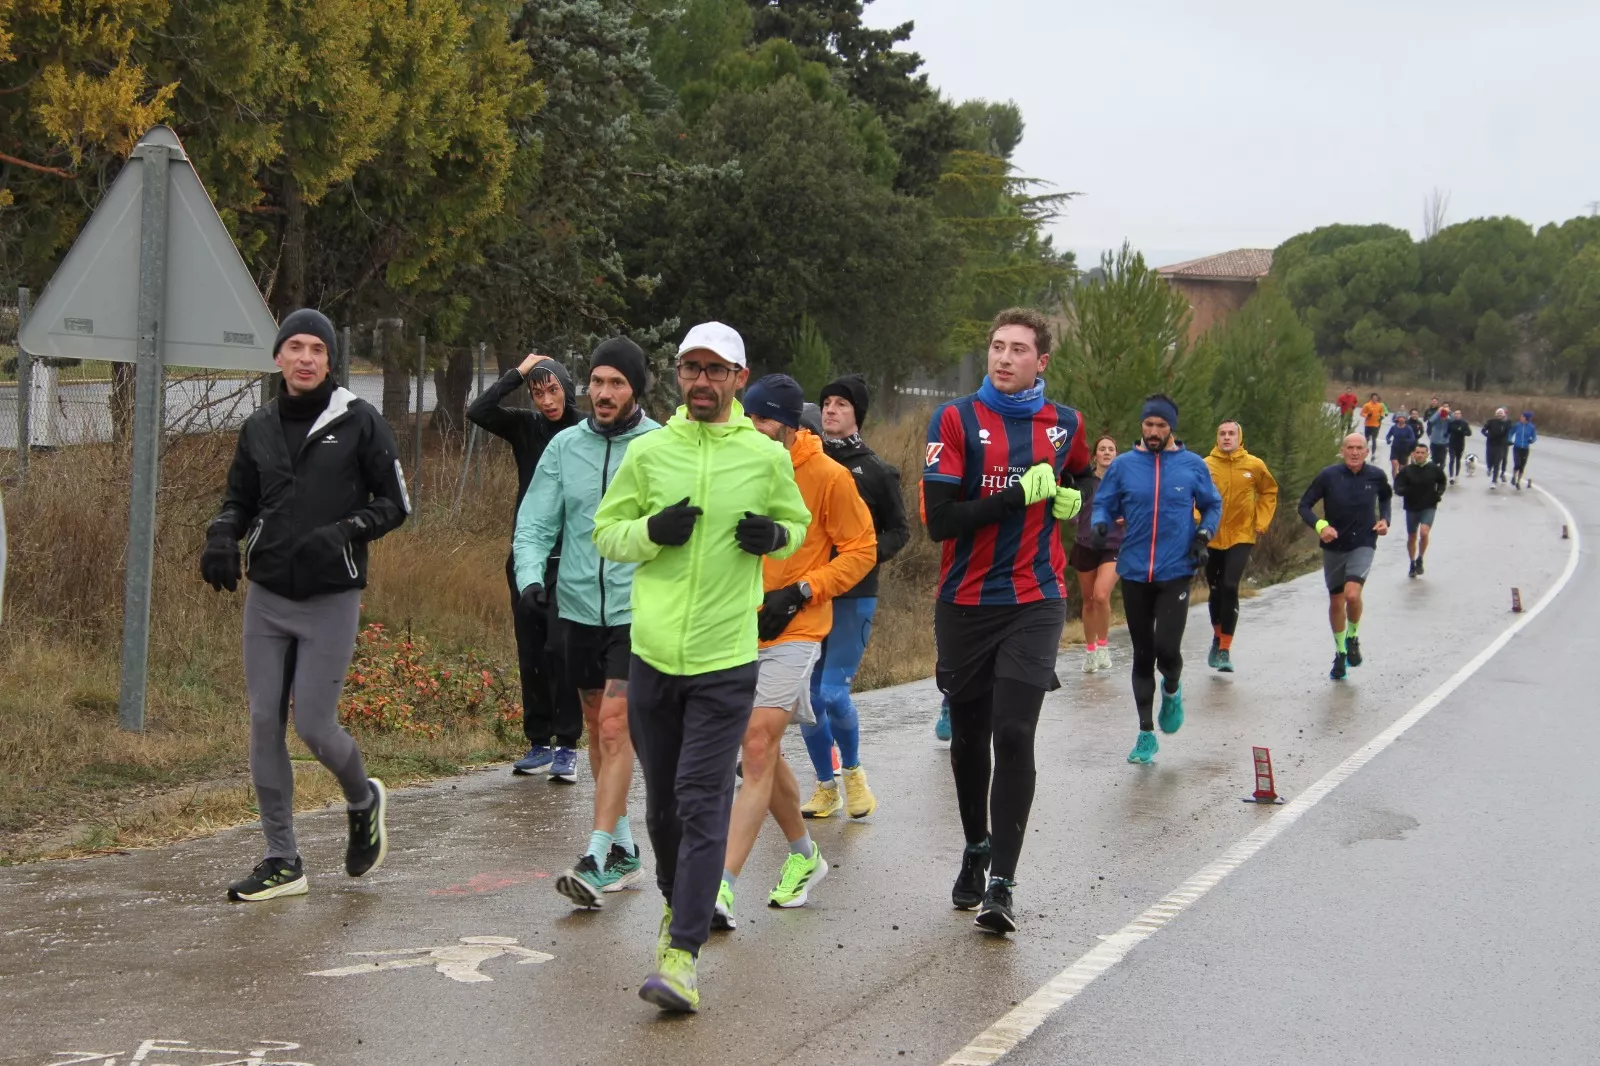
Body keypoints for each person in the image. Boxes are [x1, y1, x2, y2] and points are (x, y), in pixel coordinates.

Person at [593, 322, 810, 1013]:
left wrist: (776, 536)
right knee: (662, 810)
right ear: (678, 375)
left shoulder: (765, 455)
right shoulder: (652, 452)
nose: (703, 382)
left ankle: (681, 955)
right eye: (692, 368)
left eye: (716, 370)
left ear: (739, 379)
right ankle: (675, 906)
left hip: (725, 660)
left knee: (702, 797)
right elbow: (606, 531)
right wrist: (650, 535)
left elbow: (798, 524)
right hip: (654, 657)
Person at [200, 309, 410, 901]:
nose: (306, 358)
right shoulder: (259, 427)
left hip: (330, 597)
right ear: (278, 359)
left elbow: (396, 503)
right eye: (295, 346)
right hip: (268, 597)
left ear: (330, 360)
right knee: (264, 722)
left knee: (314, 726)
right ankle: (282, 858)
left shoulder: (359, 421)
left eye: (317, 348)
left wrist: (346, 530)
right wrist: (222, 534)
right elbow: (238, 499)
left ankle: (363, 797)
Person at [922, 307, 1091, 935]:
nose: (1004, 357)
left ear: (1042, 361)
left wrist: (1075, 497)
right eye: (997, 346)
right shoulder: (956, 419)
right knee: (969, 736)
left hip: (1036, 597)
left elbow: (1078, 471)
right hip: (965, 598)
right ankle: (975, 846)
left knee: (1014, 732)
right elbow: (941, 521)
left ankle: (1003, 885)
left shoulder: (1064, 423)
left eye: (1019, 349)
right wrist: (1018, 495)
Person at [715, 375, 876, 930]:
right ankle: (806, 857)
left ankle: (720, 889)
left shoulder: (827, 475)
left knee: (758, 742)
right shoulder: (731, 459)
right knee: (758, 752)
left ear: (791, 425)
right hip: (734, 626)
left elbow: (863, 549)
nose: (755, 430)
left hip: (797, 626)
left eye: (766, 422)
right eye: (749, 418)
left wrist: (804, 590)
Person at [513, 339, 661, 907]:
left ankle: (597, 853)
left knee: (615, 726)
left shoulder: (659, 446)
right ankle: (624, 849)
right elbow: (535, 521)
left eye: (616, 383)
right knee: (598, 722)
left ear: (635, 390)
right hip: (575, 609)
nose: (602, 393)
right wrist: (531, 579)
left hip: (635, 611)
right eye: (597, 381)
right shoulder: (565, 447)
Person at [467, 352, 585, 780]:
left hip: (570, 558)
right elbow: (478, 411)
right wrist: (516, 373)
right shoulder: (526, 426)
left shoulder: (584, 430)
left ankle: (568, 746)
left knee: (562, 649)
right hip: (527, 558)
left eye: (553, 389)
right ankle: (538, 741)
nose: (546, 399)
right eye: (537, 392)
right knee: (532, 650)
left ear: (566, 389)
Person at [798, 373, 910, 819]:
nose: (830, 409)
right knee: (804, 698)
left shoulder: (877, 470)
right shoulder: (802, 461)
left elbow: (899, 532)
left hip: (854, 594)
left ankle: (855, 775)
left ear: (857, 414)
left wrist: (860, 556)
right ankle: (826, 787)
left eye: (842, 404)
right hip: (807, 593)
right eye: (826, 402)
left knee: (830, 692)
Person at [1091, 396, 1222, 764]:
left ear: (1171, 428)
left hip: (1176, 569)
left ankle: (1173, 687)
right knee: (1142, 653)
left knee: (1167, 649)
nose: (1153, 432)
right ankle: (1145, 733)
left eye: (1161, 426)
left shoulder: (1192, 465)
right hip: (1133, 570)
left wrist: (1203, 535)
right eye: (1148, 425)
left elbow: (1213, 504)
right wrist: (1100, 522)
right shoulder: (1124, 466)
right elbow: (1104, 502)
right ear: (1141, 426)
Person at [1298, 433, 1392, 681]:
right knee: (1337, 601)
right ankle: (1340, 652)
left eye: (1359, 448)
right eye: (1350, 447)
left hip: (1363, 542)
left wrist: (1385, 520)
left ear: (1366, 452)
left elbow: (1385, 497)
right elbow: (1304, 505)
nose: (1354, 452)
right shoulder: (1329, 475)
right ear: (1342, 450)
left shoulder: (1376, 476)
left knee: (1352, 594)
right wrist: (1321, 527)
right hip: (1333, 546)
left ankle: (1353, 636)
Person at [1202, 419, 1278, 673]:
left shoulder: (1254, 465)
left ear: (1239, 437)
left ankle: (1225, 649)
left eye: (1231, 433)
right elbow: (1192, 495)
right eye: (1222, 433)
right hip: (1212, 535)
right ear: (1217, 437)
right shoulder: (1205, 465)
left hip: (1242, 534)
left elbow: (1269, 492)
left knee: (1230, 585)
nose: (1226, 437)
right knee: (1215, 588)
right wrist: (1195, 521)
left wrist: (1262, 521)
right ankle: (1216, 635)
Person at [1072, 436, 1123, 673]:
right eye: (1102, 449)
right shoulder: (1085, 482)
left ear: (1116, 454)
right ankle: (1090, 650)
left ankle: (1103, 646)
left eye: (1111, 449)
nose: (1106, 452)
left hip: (1114, 544)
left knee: (1101, 595)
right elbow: (1071, 508)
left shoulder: (1124, 481)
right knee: (1089, 600)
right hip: (1085, 543)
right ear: (1095, 456)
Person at [1393, 442, 1446, 578]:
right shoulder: (1407, 470)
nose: (1420, 455)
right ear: (1413, 454)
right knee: (1412, 536)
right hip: (1411, 507)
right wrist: (1405, 491)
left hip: (1429, 505)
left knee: (1424, 532)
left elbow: (1442, 481)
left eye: (1423, 453)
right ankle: (1412, 563)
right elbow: (1397, 486)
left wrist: (1438, 493)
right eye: (1418, 452)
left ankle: (1420, 558)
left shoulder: (1434, 469)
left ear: (1427, 454)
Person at [1481, 408, 1512, 486]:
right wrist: (1488, 436)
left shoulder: (1506, 424)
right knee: (1490, 460)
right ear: (1496, 414)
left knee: (1497, 462)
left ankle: (1494, 481)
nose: (1499, 415)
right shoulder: (1491, 422)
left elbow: (1507, 433)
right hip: (1490, 444)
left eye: (1501, 413)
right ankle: (1489, 467)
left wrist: (1505, 441)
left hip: (1500, 445)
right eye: (1498, 413)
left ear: (1504, 415)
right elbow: (1483, 430)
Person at [1509, 411, 1537, 489]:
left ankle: (1518, 481)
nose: (1521, 418)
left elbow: (1534, 437)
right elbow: (1511, 432)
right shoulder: (1517, 425)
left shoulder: (1531, 427)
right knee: (1517, 464)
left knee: (1522, 466)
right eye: (1521, 416)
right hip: (1517, 447)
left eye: (1522, 417)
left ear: (1526, 418)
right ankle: (1514, 477)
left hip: (1525, 448)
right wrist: (1510, 440)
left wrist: (1531, 440)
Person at [1385, 412, 1417, 477]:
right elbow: (1388, 435)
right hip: (1395, 448)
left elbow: (1413, 439)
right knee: (1394, 465)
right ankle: (1395, 481)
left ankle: (1401, 481)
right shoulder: (1394, 427)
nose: (1401, 419)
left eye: (1403, 418)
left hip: (1404, 450)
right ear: (1397, 419)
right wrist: (1388, 440)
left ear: (1405, 419)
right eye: (1400, 418)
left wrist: (1406, 441)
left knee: (1401, 469)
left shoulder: (1408, 428)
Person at [1445, 408, 1472, 483]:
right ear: (1454, 415)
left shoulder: (1464, 423)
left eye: (1458, 414)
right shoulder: (1451, 423)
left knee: (1458, 460)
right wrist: (1445, 435)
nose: (1457, 415)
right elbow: (1447, 432)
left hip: (1460, 444)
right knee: (1451, 460)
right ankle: (1451, 476)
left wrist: (1463, 432)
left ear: (1461, 415)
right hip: (1452, 444)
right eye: (1455, 414)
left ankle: (1456, 474)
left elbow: (1469, 433)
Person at [1424, 403, 1452, 472]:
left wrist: (1450, 412)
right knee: (1434, 461)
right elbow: (1430, 421)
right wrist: (1438, 412)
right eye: (1444, 407)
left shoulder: (1449, 420)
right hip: (1434, 442)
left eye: (1444, 416)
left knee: (1442, 461)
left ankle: (1439, 473)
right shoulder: (1437, 418)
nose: (1443, 418)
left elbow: (1455, 421)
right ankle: (1434, 474)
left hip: (1444, 443)